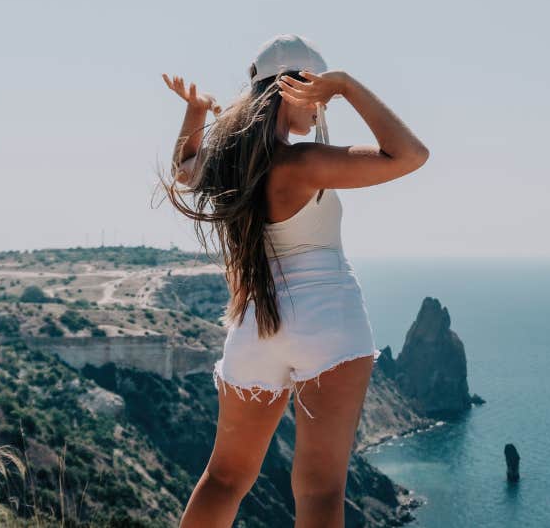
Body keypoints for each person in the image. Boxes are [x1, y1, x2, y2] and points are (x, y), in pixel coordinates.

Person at [160, 34, 429, 527]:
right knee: (320, 491)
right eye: (320, 96)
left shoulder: (231, 166)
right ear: (295, 89)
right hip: (328, 322)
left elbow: (182, 170)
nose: (323, 109)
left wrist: (196, 113)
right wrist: (348, 85)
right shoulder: (302, 163)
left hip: (254, 326)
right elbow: (410, 155)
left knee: (223, 478)